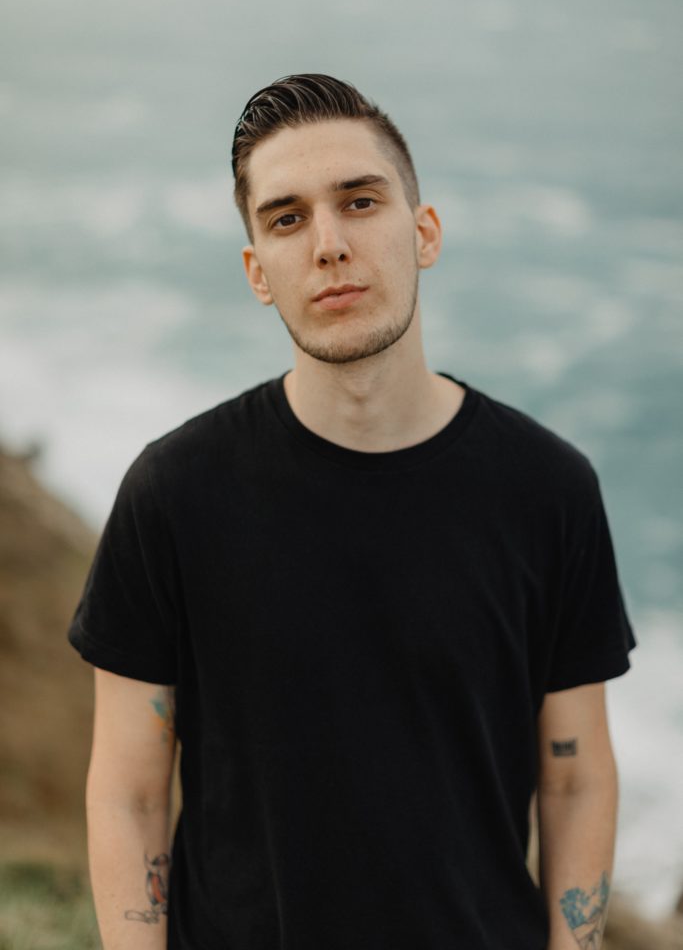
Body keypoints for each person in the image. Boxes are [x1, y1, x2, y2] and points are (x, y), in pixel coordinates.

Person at [68, 73, 637, 950]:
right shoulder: (173, 494)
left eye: (359, 202)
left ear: (424, 232)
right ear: (258, 273)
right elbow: (128, 791)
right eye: (286, 219)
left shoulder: (548, 490)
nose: (328, 245)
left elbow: (576, 777)